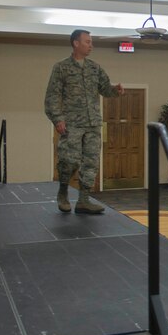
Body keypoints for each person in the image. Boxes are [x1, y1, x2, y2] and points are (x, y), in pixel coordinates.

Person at [45, 29, 124, 214]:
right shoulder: (61, 68)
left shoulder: (95, 68)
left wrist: (115, 90)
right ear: (76, 43)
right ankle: (63, 192)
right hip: (71, 123)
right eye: (88, 42)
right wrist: (57, 119)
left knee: (91, 162)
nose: (91, 45)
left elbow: (105, 89)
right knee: (69, 160)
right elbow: (52, 96)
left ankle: (83, 200)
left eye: (91, 42)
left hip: (93, 123)